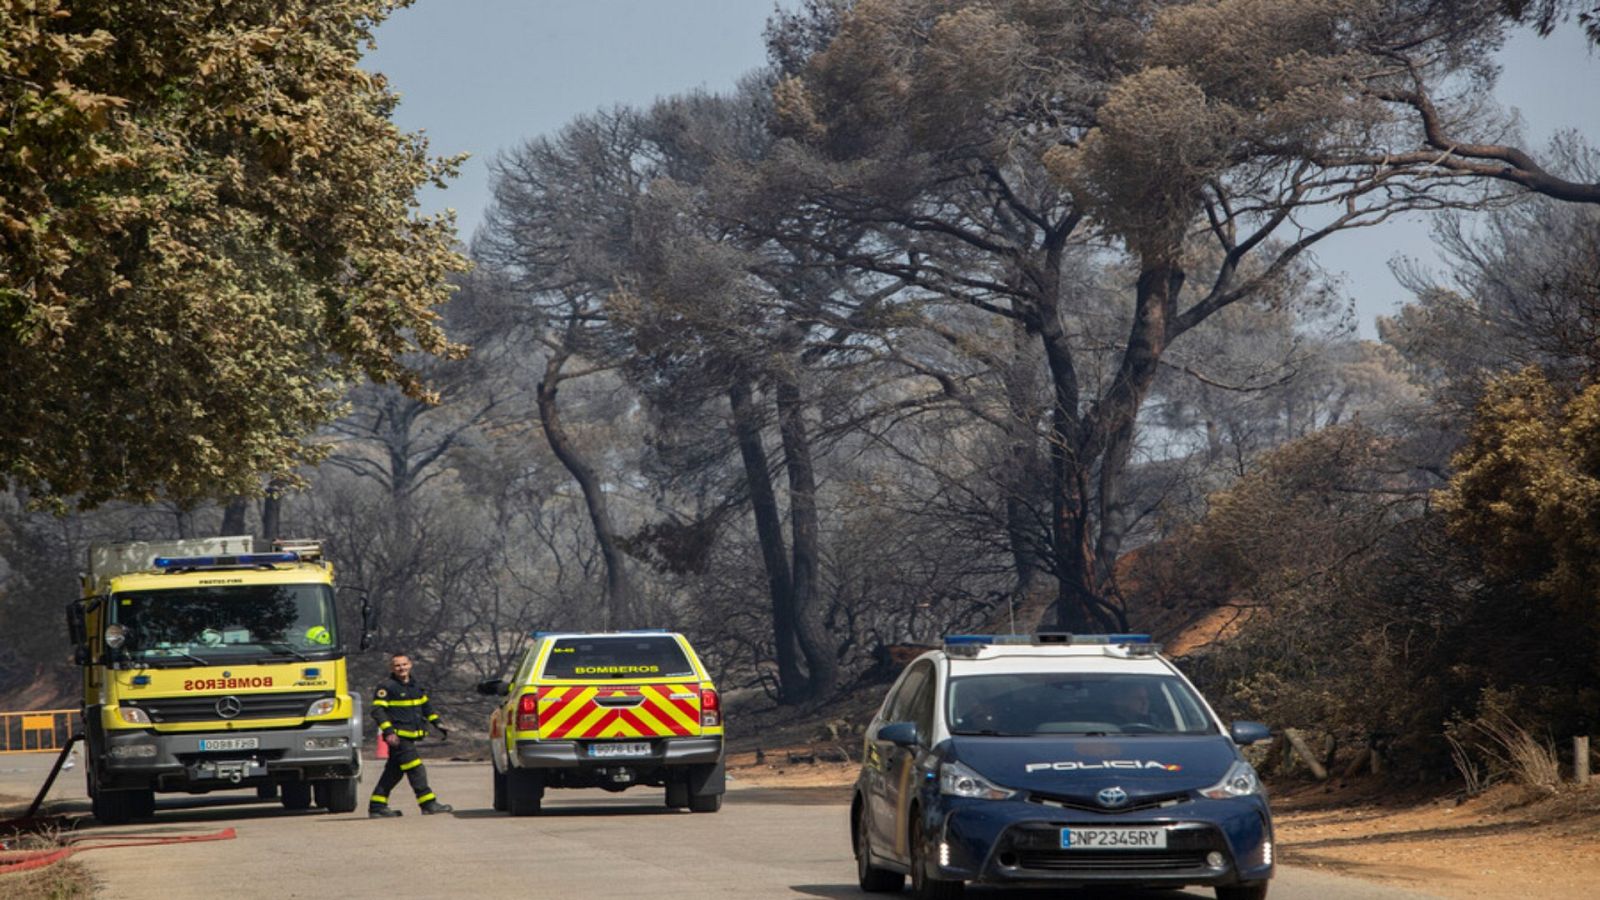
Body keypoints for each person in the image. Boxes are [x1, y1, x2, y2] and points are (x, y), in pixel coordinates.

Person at [368, 652, 452, 817]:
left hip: (410, 736)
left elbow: (426, 708)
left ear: (410, 665)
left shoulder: (416, 686)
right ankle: (428, 803)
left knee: (394, 771)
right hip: (399, 738)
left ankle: (377, 806)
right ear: (392, 668)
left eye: (404, 664)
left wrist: (438, 724)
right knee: (416, 768)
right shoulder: (386, 687)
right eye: (397, 665)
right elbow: (378, 711)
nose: (401, 668)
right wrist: (389, 732)